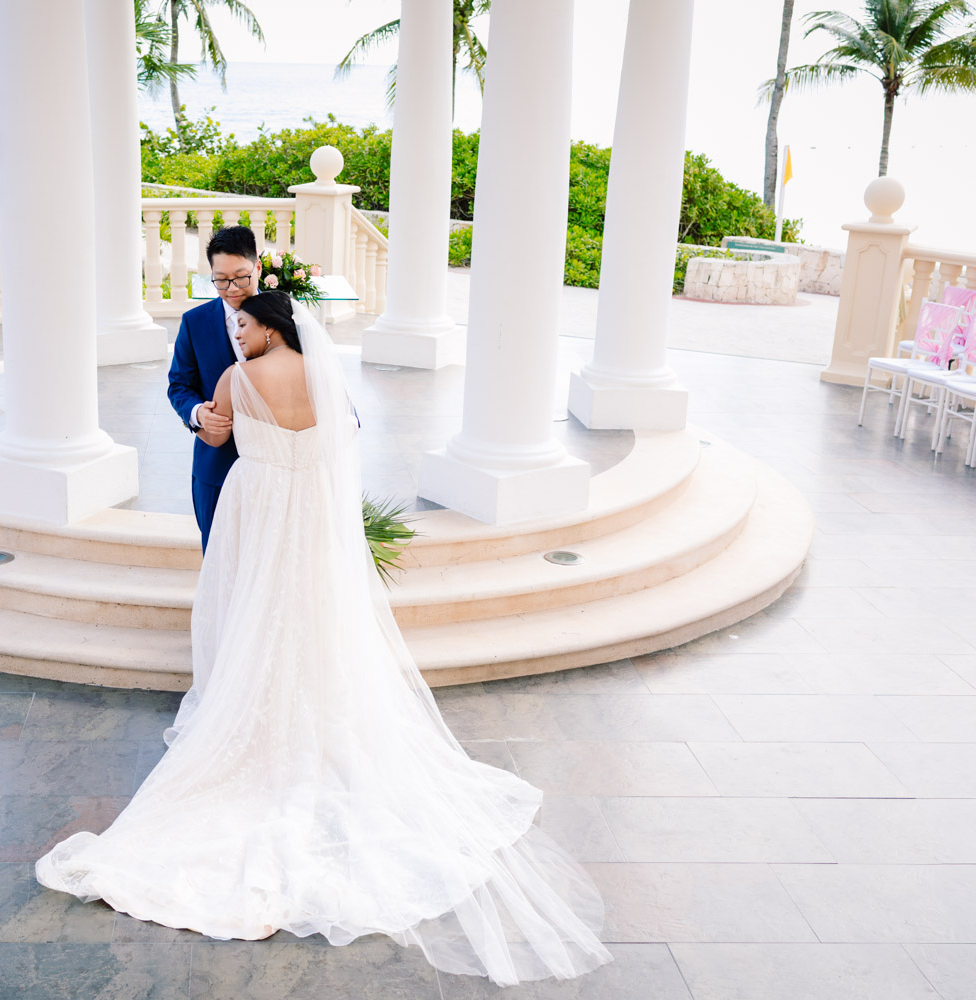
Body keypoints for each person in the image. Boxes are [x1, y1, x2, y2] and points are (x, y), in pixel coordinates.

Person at [38, 291, 611, 987]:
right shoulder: (326, 375)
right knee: (307, 607)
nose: (237, 334)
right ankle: (312, 707)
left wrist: (215, 421)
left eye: (245, 324)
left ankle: (248, 704)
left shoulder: (236, 378)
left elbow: (215, 438)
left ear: (269, 327)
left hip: (258, 503)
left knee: (252, 607)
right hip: (310, 508)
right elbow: (343, 439)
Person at [166, 225, 261, 552]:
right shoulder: (194, 322)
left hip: (273, 466)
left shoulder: (288, 315)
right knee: (218, 557)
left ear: (258, 266)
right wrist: (198, 414)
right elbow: (179, 384)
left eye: (241, 277)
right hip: (215, 466)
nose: (232, 289)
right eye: (221, 280)